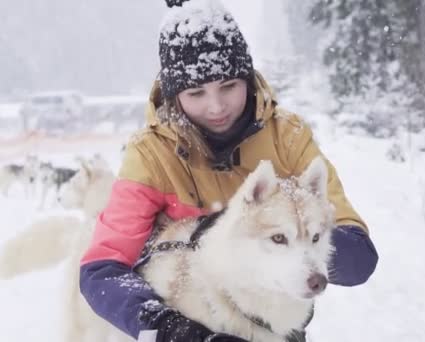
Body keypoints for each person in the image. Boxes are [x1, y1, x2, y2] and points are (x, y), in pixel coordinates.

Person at [79, 0, 379, 341]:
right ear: (175, 95)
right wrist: (170, 328)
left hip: (273, 325)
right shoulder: (151, 155)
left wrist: (291, 235)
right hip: (186, 314)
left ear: (247, 80)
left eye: (228, 86)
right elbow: (101, 271)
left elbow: (358, 259)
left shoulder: (287, 138)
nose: (216, 106)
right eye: (196, 92)